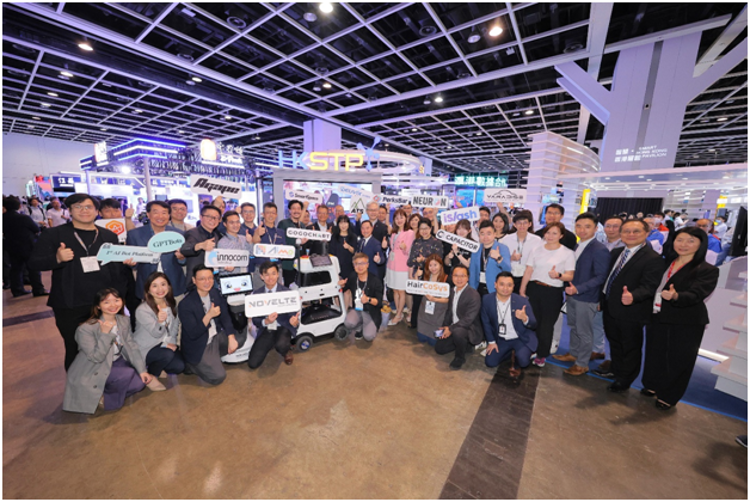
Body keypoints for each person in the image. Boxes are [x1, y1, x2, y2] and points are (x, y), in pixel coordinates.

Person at [29, 193, 129, 371]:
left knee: (105, 344)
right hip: (70, 303)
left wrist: (127, 264)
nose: (84, 211)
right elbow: (34, 263)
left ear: (97, 211)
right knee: (74, 347)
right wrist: (57, 258)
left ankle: (102, 385)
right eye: (78, 207)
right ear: (69, 210)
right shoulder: (54, 234)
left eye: (89, 207)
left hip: (104, 303)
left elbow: (116, 270)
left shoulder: (108, 236)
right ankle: (78, 391)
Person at [640, 227, 719, 409]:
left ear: (701, 244)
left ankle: (668, 395)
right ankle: (652, 385)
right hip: (657, 315)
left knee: (679, 359)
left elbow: (696, 294)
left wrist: (676, 296)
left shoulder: (707, 269)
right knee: (655, 352)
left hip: (686, 320)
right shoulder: (665, 262)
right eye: (679, 239)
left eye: (690, 241)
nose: (683, 244)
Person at [63, 288, 152, 414]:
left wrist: (142, 370)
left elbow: (132, 346)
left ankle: (103, 392)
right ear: (98, 306)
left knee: (139, 383)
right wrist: (105, 335)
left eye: (117, 300)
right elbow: (96, 357)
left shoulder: (123, 320)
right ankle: (105, 400)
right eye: (106, 302)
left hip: (116, 361)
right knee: (127, 373)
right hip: (94, 366)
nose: (113, 305)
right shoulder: (86, 328)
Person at [600, 219, 665, 393]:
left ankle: (625, 379)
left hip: (632, 310)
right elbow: (609, 279)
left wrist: (634, 296)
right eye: (627, 231)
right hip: (611, 306)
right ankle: (616, 370)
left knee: (630, 346)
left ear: (646, 233)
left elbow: (649, 286)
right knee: (614, 341)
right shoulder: (618, 252)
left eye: (636, 231)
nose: (630, 234)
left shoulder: (653, 258)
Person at [553, 213, 610, 375]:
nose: (582, 230)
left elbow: (600, 276)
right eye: (579, 226)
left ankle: (582, 363)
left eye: (587, 226)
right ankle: (573, 353)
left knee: (584, 331)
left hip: (586, 297)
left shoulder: (599, 249)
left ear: (596, 228)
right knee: (574, 327)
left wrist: (578, 289)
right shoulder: (579, 245)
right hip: (572, 295)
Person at [520, 222, 576, 367]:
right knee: (533, 322)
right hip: (534, 288)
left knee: (546, 325)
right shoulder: (536, 249)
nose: (550, 236)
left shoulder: (567, 253)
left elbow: (570, 276)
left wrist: (558, 275)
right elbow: (528, 270)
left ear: (561, 235)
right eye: (548, 232)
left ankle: (542, 354)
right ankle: (532, 348)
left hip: (553, 292)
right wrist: (522, 289)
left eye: (555, 233)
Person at [178, 265, 245, 385]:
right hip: (200, 343)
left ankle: (213, 358)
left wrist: (230, 337)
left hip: (215, 335)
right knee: (218, 377)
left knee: (240, 337)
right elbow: (193, 333)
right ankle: (192, 366)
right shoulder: (185, 304)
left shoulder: (214, 293)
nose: (207, 282)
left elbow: (225, 316)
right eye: (202, 279)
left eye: (210, 278)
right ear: (194, 280)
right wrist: (209, 315)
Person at [125, 201, 186, 328]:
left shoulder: (178, 234)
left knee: (177, 322)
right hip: (148, 287)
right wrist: (131, 263)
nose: (160, 216)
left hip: (174, 285)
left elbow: (183, 261)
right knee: (151, 325)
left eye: (164, 213)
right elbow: (134, 265)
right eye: (156, 212)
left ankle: (175, 346)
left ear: (169, 215)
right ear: (148, 214)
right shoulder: (135, 234)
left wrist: (181, 257)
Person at [132, 272, 184, 386]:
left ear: (169, 287)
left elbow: (174, 328)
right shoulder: (142, 310)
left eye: (163, 284)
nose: (160, 289)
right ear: (148, 290)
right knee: (167, 355)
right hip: (146, 347)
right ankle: (151, 374)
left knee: (179, 366)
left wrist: (172, 343)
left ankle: (157, 366)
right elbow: (156, 333)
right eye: (154, 286)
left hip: (163, 344)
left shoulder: (171, 304)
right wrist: (160, 322)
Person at [481, 272, 537, 376]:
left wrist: (525, 318)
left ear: (513, 286)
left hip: (519, 338)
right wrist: (491, 342)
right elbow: (486, 322)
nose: (505, 288)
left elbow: (533, 324)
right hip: (501, 339)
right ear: (495, 285)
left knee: (524, 362)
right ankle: (508, 353)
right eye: (502, 284)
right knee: (490, 362)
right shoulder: (487, 300)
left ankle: (518, 354)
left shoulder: (522, 301)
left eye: (509, 285)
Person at [248, 262, 298, 368]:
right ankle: (271, 343)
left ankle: (286, 350)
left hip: (283, 327)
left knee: (281, 345)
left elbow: (294, 315)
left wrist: (294, 321)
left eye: (273, 273)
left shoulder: (287, 292)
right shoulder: (256, 295)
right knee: (253, 363)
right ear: (261, 276)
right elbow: (255, 320)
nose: (270, 277)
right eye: (267, 274)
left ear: (278, 274)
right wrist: (266, 321)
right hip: (266, 328)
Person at [435, 264, 483, 370]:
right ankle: (465, 345)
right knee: (439, 349)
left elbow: (468, 320)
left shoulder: (473, 295)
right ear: (452, 277)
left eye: (463, 276)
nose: (459, 279)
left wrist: (450, 329)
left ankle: (459, 358)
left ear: (468, 278)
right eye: (456, 275)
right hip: (454, 326)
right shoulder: (452, 290)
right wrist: (444, 327)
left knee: (458, 332)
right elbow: (449, 312)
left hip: (468, 328)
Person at [3, 196, 48, 297]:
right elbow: (36, 228)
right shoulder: (23, 218)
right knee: (33, 268)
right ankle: (38, 289)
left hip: (11, 246)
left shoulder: (3, 218)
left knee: (16, 269)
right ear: (19, 206)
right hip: (27, 246)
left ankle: (17, 290)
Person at [338, 253, 383, 342]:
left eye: (362, 263)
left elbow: (379, 302)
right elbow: (345, 287)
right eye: (356, 264)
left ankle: (366, 327)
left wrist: (368, 299)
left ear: (367, 265)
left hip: (371, 312)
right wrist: (341, 285)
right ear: (353, 266)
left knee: (369, 336)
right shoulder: (353, 276)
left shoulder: (375, 281)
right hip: (357, 309)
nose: (360, 266)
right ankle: (359, 327)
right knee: (348, 323)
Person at [407, 218, 444, 327]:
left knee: (429, 300)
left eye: (426, 228)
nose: (424, 231)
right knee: (417, 300)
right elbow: (411, 260)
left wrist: (424, 260)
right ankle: (414, 323)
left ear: (431, 228)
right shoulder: (416, 242)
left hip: (432, 275)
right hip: (418, 274)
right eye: (421, 228)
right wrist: (412, 275)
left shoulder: (437, 242)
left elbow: (439, 259)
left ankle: (427, 324)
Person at [180, 205, 223, 284]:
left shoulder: (217, 235)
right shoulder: (192, 233)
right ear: (201, 217)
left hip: (213, 277)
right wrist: (200, 246)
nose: (213, 220)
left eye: (216, 217)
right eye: (209, 217)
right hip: (197, 279)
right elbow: (184, 249)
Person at [501, 210, 542, 293]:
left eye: (525, 223)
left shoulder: (537, 240)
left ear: (530, 224)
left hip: (528, 277)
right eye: (519, 223)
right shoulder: (506, 239)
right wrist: (510, 258)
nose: (522, 225)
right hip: (510, 276)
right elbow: (500, 260)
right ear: (515, 224)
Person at [386, 209, 414, 325]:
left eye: (401, 217)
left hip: (402, 266)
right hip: (391, 265)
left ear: (406, 218)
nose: (399, 220)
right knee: (394, 290)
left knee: (401, 291)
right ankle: (399, 311)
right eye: (396, 218)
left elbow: (410, 251)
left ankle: (398, 314)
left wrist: (405, 247)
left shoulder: (410, 233)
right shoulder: (393, 233)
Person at [470, 221, 511, 296]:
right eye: (482, 234)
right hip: (478, 288)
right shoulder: (477, 249)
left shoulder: (502, 248)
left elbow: (508, 270)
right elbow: (472, 271)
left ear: (494, 234)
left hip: (495, 289)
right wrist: (472, 290)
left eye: (489, 234)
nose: (485, 237)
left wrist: (499, 258)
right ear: (479, 235)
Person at [416, 254, 450, 345]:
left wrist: (435, 299)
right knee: (421, 338)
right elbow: (416, 288)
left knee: (433, 342)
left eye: (435, 265)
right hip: (425, 313)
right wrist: (417, 277)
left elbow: (449, 300)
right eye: (430, 265)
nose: (433, 268)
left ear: (440, 265)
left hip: (439, 314)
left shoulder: (446, 279)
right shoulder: (426, 276)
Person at [277, 199, 307, 287]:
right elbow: (282, 242)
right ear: (289, 210)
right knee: (287, 288)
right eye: (293, 208)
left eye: (298, 208)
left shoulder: (302, 226)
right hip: (288, 263)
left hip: (300, 263)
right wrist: (298, 242)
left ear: (301, 211)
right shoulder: (283, 224)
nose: (296, 211)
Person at [217, 210, 254, 275]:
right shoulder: (222, 243)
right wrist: (225, 267)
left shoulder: (243, 238)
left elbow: (251, 255)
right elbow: (219, 266)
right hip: (230, 277)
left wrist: (250, 242)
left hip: (245, 275)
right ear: (225, 224)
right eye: (232, 222)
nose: (235, 225)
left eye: (237, 222)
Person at [444, 219, 475, 283]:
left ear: (469, 230)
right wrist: (448, 257)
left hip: (466, 277)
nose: (461, 231)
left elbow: (468, 264)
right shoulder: (452, 242)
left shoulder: (473, 245)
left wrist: (457, 253)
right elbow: (447, 263)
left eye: (464, 229)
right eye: (459, 229)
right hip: (453, 275)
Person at [330, 214, 358, 282]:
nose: (343, 225)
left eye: (345, 222)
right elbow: (331, 253)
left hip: (350, 267)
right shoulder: (334, 237)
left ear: (348, 224)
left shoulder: (353, 236)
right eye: (341, 222)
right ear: (338, 224)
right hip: (337, 267)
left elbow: (355, 252)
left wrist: (348, 247)